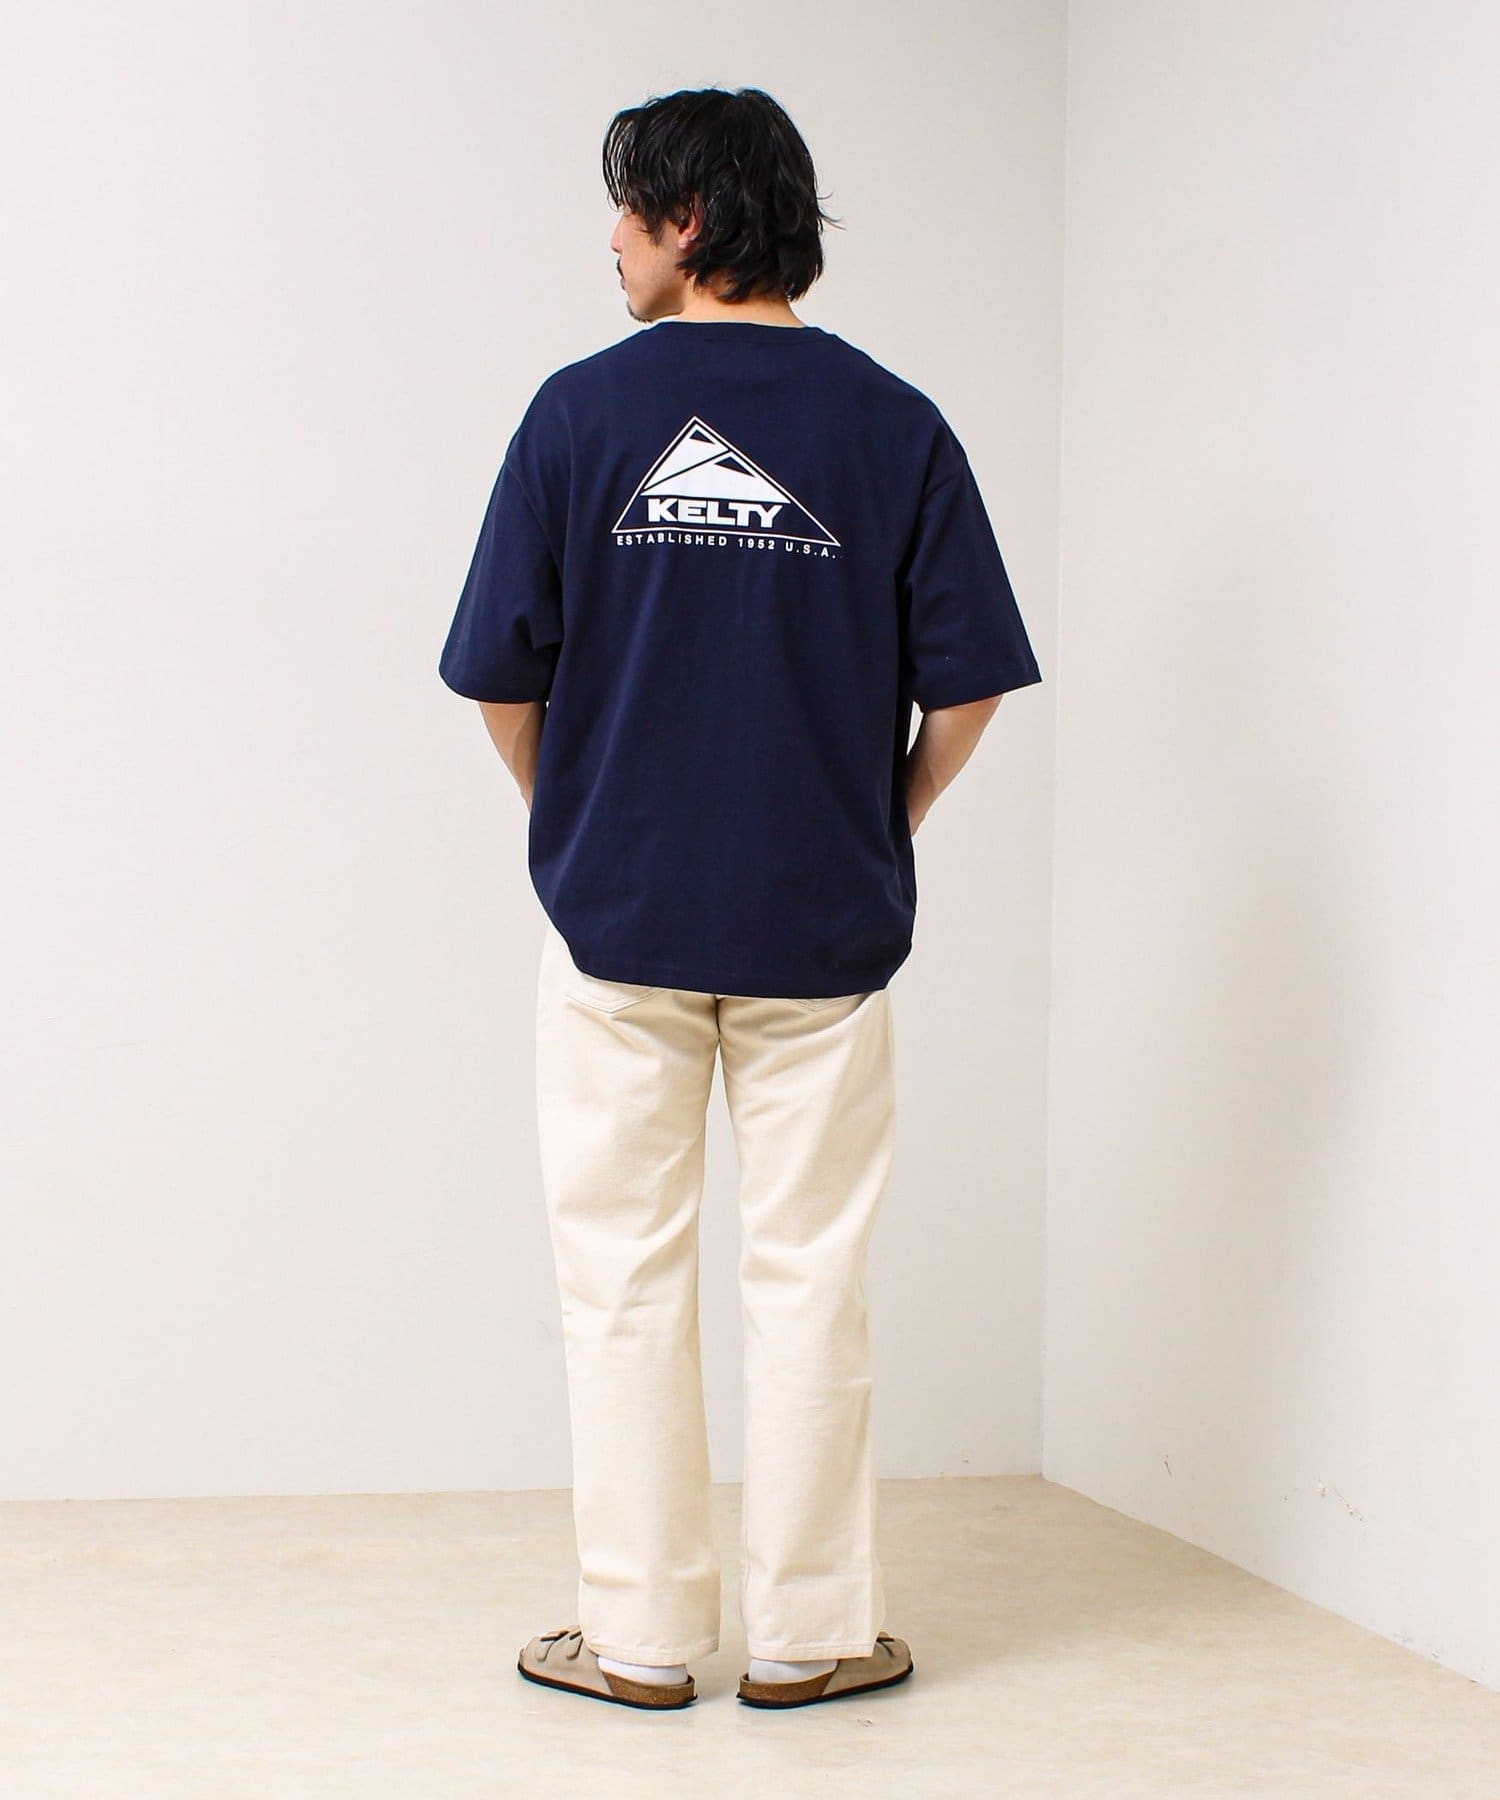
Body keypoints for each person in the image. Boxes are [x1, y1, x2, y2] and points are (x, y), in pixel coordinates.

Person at [438, 84, 1042, 1713]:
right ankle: (812, 1635)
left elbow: (498, 677)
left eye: (629, 206)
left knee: (622, 1285)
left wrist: (579, 817)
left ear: (691, 219)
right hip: (819, 932)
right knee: (811, 1280)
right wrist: (881, 818)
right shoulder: (894, 425)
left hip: (618, 929)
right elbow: (971, 687)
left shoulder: (577, 417)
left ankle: (638, 1640)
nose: (612, 239)